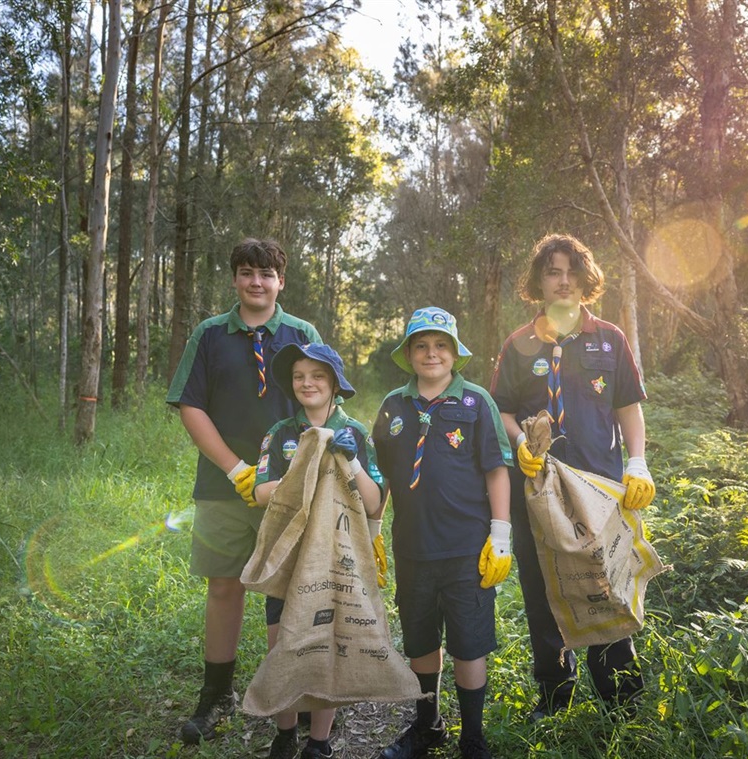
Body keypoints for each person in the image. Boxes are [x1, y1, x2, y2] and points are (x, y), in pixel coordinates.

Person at [489, 233, 655, 721]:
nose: (562, 281)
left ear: (585, 281)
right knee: (543, 589)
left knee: (604, 586)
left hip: (598, 488)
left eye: (571, 272)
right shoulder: (518, 345)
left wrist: (637, 461)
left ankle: (619, 699)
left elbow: (627, 405)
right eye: (552, 272)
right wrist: (520, 442)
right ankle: (554, 697)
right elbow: (502, 409)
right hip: (537, 487)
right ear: (538, 281)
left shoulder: (610, 338)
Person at [166, 238, 321, 744]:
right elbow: (191, 405)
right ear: (235, 278)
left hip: (289, 487)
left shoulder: (301, 334)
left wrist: (296, 473)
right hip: (222, 485)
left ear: (282, 281)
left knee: (291, 590)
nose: (257, 281)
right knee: (224, 586)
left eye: (266, 273)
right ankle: (217, 696)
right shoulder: (209, 335)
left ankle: (292, 694)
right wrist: (237, 471)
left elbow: (319, 403)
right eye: (247, 272)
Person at [371, 307, 513, 759]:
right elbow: (385, 474)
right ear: (408, 354)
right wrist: (373, 528)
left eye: (440, 345)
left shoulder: (475, 402)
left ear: (454, 353)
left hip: (467, 548)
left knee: (468, 645)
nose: (431, 353)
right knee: (420, 640)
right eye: (421, 345)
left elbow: (496, 471)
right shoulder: (393, 405)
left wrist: (501, 533)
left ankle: (473, 736)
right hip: (413, 548)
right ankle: (427, 724)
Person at [252, 342, 386, 759]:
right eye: (299, 376)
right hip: (288, 555)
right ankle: (286, 731)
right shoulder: (280, 433)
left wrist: (354, 462)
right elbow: (260, 493)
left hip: (336, 557)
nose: (307, 383)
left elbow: (376, 502)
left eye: (317, 375)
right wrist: (305, 464)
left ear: (335, 384)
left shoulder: (357, 433)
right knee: (283, 644)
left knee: (328, 643)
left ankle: (319, 741)